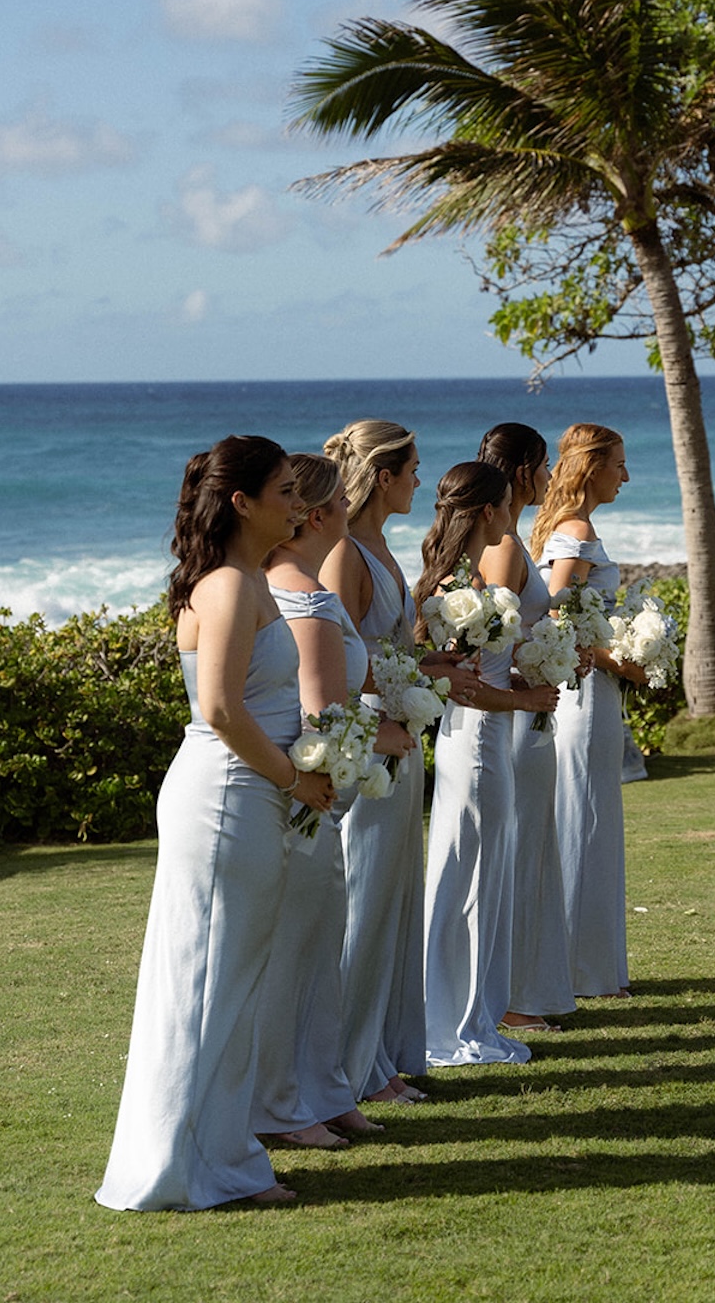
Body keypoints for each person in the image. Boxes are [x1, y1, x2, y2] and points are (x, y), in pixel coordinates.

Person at [96, 435, 334, 1211]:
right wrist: (296, 777)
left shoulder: (245, 581)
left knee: (228, 981)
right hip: (229, 796)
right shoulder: (229, 587)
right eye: (288, 493)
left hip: (245, 791)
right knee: (208, 983)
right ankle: (191, 1168)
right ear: (242, 503)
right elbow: (222, 710)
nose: (301, 506)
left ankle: (220, 1156)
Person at [252, 454, 412, 1149]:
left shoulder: (288, 589)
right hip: (309, 794)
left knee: (318, 948)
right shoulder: (306, 601)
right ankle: (292, 1103)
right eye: (341, 505)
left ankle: (325, 1090)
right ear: (318, 518)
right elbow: (324, 716)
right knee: (304, 949)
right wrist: (386, 739)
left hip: (314, 792)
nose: (350, 513)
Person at [321, 420, 479, 1104]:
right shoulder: (345, 554)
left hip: (401, 736)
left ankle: (380, 1058)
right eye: (413, 468)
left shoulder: (378, 546)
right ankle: (349, 1067)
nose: (421, 479)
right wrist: (399, 693)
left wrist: (426, 665)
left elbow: (382, 651)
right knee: (365, 904)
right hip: (373, 748)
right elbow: (338, 663)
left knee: (392, 905)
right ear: (383, 476)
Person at [419, 461, 557, 1066]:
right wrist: (527, 698)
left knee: (484, 878)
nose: (511, 514)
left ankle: (472, 1016)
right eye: (505, 505)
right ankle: (457, 1028)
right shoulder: (469, 591)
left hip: (485, 736)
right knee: (469, 882)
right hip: (476, 739)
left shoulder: (460, 582)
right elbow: (466, 685)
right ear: (487, 513)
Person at [530, 423, 644, 1000]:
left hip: (593, 688)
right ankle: (580, 971)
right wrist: (618, 659)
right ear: (591, 467)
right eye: (618, 464)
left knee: (592, 818)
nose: (626, 475)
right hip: (585, 692)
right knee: (583, 817)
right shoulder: (574, 530)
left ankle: (587, 966)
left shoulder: (574, 525)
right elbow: (552, 614)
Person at [478, 423, 576, 1032]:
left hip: (531, 708)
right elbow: (488, 643)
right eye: (545, 466)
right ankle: (509, 995)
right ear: (522, 473)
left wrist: (564, 647)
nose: (550, 477)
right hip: (514, 717)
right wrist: (545, 652)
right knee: (517, 851)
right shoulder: (506, 547)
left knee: (534, 845)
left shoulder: (510, 537)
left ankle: (527, 987)